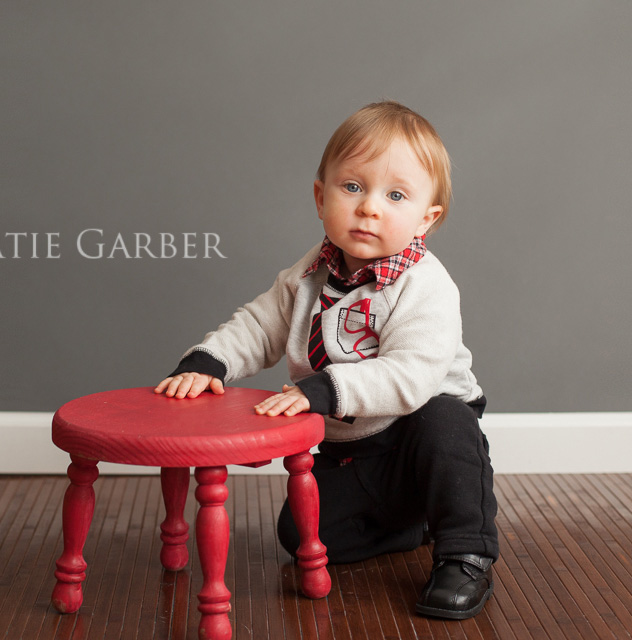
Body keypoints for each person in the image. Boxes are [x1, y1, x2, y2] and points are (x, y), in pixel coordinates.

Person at [154, 100, 498, 620]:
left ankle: (464, 553)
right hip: (351, 443)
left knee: (445, 422)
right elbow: (259, 325)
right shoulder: (307, 276)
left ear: (427, 218)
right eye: (353, 187)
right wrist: (209, 361)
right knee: (300, 534)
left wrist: (324, 389)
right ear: (321, 197)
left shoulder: (424, 285)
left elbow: (412, 375)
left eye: (396, 195)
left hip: (417, 424)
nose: (369, 207)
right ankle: (409, 518)